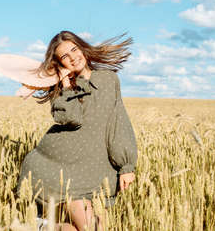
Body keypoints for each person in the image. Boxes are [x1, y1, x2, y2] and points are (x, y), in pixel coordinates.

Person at [16, 31, 138, 231]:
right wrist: (65, 84)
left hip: (96, 173)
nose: (73, 57)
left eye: (74, 49)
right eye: (65, 56)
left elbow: (118, 121)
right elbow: (71, 118)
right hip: (60, 172)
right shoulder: (62, 90)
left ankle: (39, 227)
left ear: (83, 48)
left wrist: (127, 165)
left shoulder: (109, 80)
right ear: (59, 63)